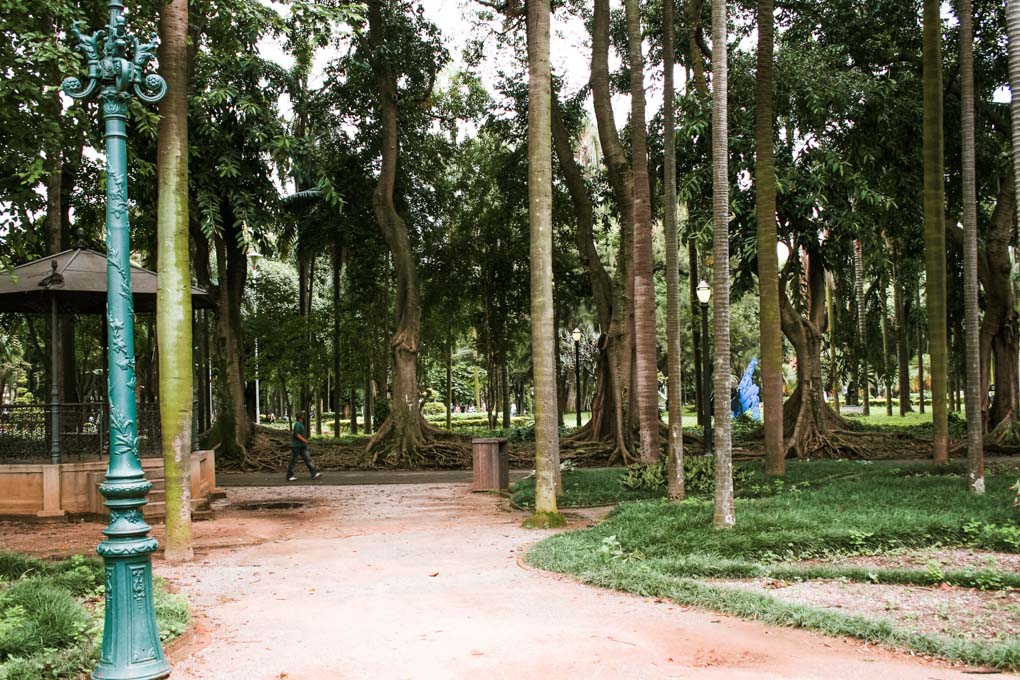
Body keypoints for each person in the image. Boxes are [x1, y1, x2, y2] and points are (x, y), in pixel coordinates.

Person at [288, 412, 323, 482]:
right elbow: (297, 434)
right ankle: (289, 475)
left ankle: (313, 474)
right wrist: (305, 440)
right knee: (293, 460)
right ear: (301, 417)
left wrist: (304, 442)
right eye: (303, 415)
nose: (304, 416)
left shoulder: (300, 424)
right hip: (296, 446)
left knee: (308, 459)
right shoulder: (297, 424)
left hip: (302, 446)